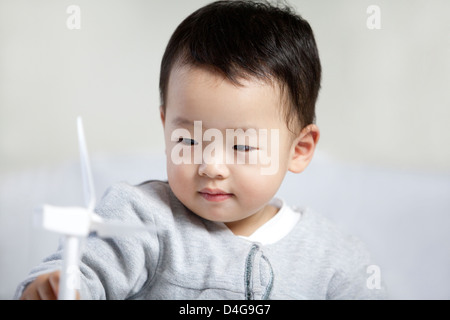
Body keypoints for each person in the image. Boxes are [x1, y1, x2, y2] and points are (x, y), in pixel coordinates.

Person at [16, 0, 386, 300]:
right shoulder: (143, 219)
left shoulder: (334, 259)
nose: (211, 166)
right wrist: (58, 286)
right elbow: (85, 269)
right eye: (189, 141)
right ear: (165, 128)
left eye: (242, 146)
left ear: (300, 149)